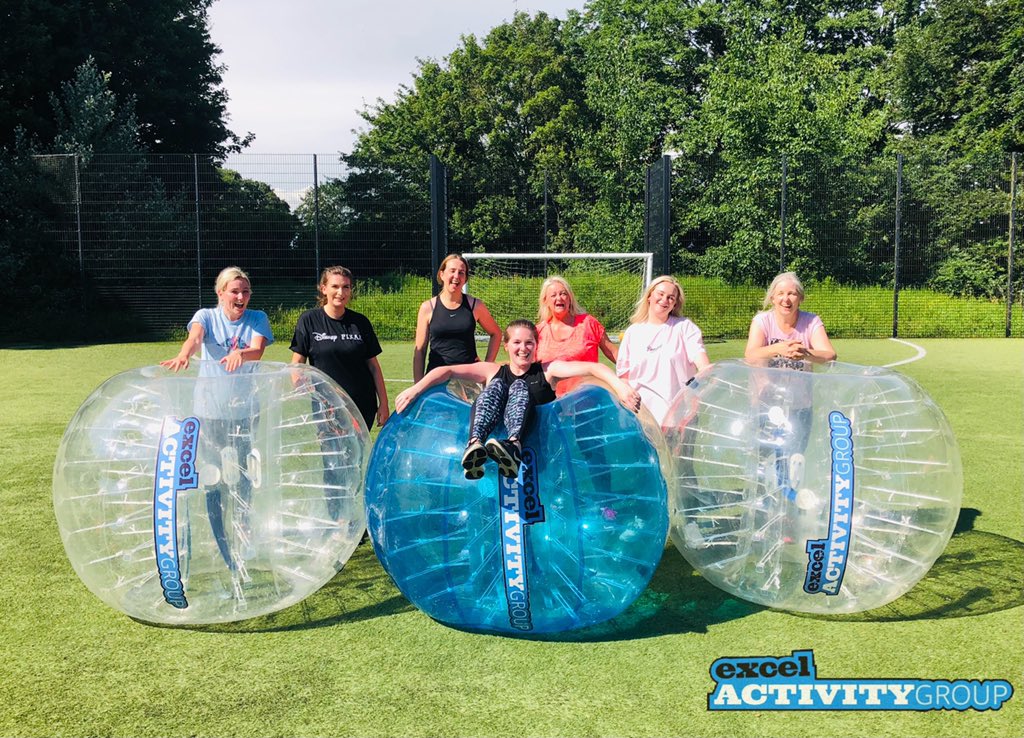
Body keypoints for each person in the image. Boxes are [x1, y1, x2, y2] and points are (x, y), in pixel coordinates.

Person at [395, 319, 641, 480]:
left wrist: (620, 388)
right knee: (497, 385)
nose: (523, 348)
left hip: (539, 457)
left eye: (529, 343)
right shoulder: (493, 371)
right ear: (506, 345)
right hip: (493, 462)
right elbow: (446, 371)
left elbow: (593, 368)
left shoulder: (547, 370)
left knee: (520, 387)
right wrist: (414, 390)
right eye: (517, 342)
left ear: (536, 345)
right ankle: (475, 443)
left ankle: (514, 446)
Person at [160, 266, 273, 572]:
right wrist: (185, 353)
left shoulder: (257, 318)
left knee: (243, 472)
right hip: (209, 412)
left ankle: (243, 524)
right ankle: (218, 535)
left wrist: (243, 355)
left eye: (245, 291)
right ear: (221, 292)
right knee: (214, 475)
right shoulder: (206, 316)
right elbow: (195, 338)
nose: (241, 297)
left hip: (245, 410)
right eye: (234, 291)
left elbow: (258, 349)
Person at [290, 266, 389, 432]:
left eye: (346, 287)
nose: (340, 292)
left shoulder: (360, 322)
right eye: (335, 286)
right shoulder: (309, 320)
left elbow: (374, 367)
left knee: (357, 455)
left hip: (361, 405)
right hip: (326, 405)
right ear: (323, 289)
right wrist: (298, 383)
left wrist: (384, 404)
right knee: (331, 453)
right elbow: (297, 362)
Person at [616, 276, 710, 426]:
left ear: (675, 304)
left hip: (678, 417)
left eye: (671, 297)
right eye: (660, 294)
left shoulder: (684, 327)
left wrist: (706, 372)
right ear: (649, 296)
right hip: (641, 417)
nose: (664, 300)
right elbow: (624, 378)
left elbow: (700, 358)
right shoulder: (632, 332)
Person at [413, 253, 502, 382]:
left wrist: (486, 366)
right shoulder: (428, 307)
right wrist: (418, 385)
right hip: (436, 380)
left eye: (461, 272)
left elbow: (496, 333)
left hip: (469, 380)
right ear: (442, 274)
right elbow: (420, 351)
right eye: (452, 271)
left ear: (465, 278)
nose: (456, 276)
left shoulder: (475, 305)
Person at [535, 276, 618, 397]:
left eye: (563, 294)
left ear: (570, 299)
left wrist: (633, 376)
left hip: (587, 399)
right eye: (553, 295)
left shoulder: (588, 323)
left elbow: (613, 353)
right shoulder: (538, 331)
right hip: (550, 404)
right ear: (545, 301)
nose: (559, 298)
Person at [744, 271, 836, 369]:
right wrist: (778, 349)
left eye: (791, 294)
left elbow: (830, 356)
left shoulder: (812, 321)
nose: (786, 299)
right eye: (780, 293)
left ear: (801, 298)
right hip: (767, 384)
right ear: (772, 299)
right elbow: (750, 355)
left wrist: (804, 353)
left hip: (801, 384)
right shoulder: (761, 321)